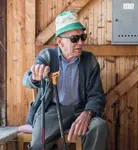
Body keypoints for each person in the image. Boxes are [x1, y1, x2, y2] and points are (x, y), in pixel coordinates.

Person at [23, 10, 108, 150]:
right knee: (39, 143)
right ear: (60, 42)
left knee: (100, 126)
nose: (80, 43)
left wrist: (88, 113)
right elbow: (27, 79)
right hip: (53, 111)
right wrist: (35, 77)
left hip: (81, 109)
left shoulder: (89, 60)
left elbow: (97, 95)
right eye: (74, 39)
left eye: (83, 37)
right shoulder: (48, 56)